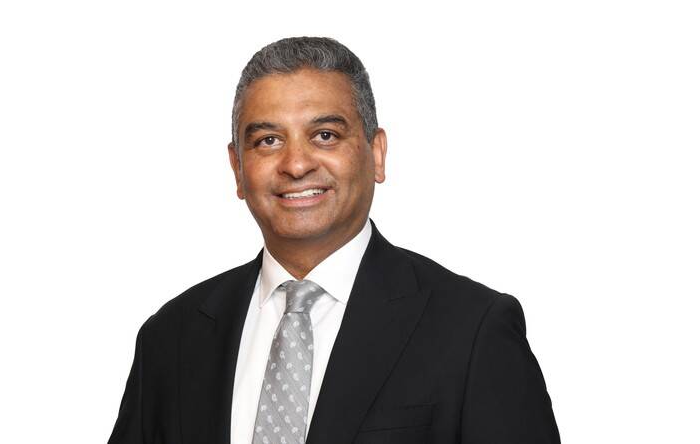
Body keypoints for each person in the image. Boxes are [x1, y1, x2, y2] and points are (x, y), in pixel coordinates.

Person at [108, 37, 560, 444]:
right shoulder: (170, 337)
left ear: (376, 153)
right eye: (268, 141)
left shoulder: (473, 329)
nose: (296, 164)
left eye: (325, 136)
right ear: (237, 169)